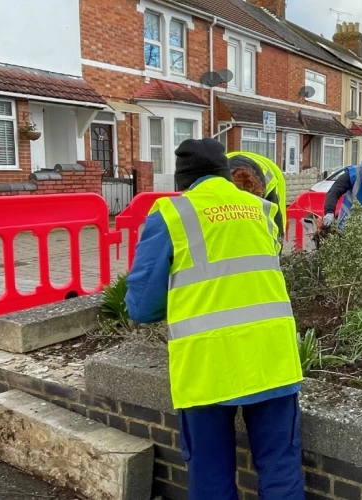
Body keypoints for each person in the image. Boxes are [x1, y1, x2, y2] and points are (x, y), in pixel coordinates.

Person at [125, 138, 304, 500]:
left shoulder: (172, 214)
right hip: (273, 357)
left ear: (183, 182)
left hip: (208, 364)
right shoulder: (262, 210)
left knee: (211, 473)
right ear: (224, 172)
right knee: (279, 467)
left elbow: (141, 307)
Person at [228, 152, 287, 240]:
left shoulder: (269, 185)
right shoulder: (216, 181)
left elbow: (276, 222)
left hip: (272, 171)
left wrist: (278, 245)